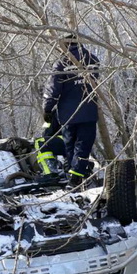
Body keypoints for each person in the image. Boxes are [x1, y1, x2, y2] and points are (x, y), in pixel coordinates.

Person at [42, 34, 100, 188]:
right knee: (83, 146)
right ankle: (75, 177)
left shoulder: (61, 64)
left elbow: (53, 90)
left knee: (71, 146)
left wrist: (47, 109)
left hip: (68, 115)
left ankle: (73, 178)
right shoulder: (93, 60)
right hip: (89, 112)